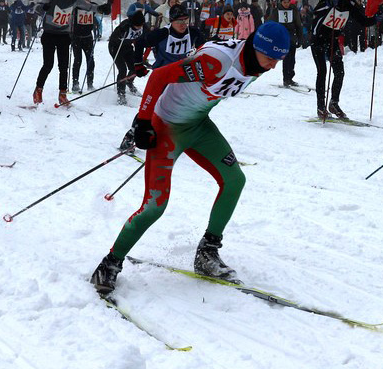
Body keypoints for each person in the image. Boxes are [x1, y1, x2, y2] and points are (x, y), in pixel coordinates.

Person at [90, 23, 291, 296]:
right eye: (270, 58)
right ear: (255, 46)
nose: (273, 66)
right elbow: (159, 76)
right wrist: (143, 121)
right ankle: (109, 263)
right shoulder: (217, 61)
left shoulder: (255, 64)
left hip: (198, 126)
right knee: (154, 207)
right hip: (166, 129)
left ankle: (207, 253)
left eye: (278, 60)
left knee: (235, 180)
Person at [310, 0, 379, 119]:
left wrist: (375, 19)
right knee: (322, 72)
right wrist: (329, 6)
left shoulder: (351, 4)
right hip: (318, 39)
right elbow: (316, 11)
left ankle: (334, 103)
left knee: (339, 71)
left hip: (333, 40)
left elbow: (363, 20)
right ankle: (321, 107)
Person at [33, 0, 87, 107]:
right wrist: (43, 7)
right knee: (48, 65)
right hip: (49, 35)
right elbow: (36, 7)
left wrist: (101, 9)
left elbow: (88, 6)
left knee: (63, 67)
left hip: (63, 36)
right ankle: (38, 90)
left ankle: (63, 94)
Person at [71, 0, 110, 92]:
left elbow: (103, 11)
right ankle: (75, 83)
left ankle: (90, 83)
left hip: (88, 37)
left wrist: (108, 6)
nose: (87, 1)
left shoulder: (92, 6)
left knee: (90, 60)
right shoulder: (76, 6)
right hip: (76, 37)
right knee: (77, 60)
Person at [107, 10, 147, 105]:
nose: (140, 28)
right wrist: (121, 35)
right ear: (133, 23)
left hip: (127, 47)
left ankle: (129, 82)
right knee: (122, 69)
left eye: (141, 25)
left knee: (135, 67)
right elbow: (113, 38)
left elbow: (147, 35)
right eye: (138, 26)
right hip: (116, 47)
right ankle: (121, 93)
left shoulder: (143, 26)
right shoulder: (124, 26)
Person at [269, 0, 302, 86]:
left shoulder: (294, 10)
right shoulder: (276, 11)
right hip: (282, 38)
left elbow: (298, 24)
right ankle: (286, 79)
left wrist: (300, 38)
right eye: (284, 2)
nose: (286, 4)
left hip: (292, 36)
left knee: (292, 59)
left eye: (288, 2)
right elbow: (272, 24)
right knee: (286, 58)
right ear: (281, 2)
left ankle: (290, 77)